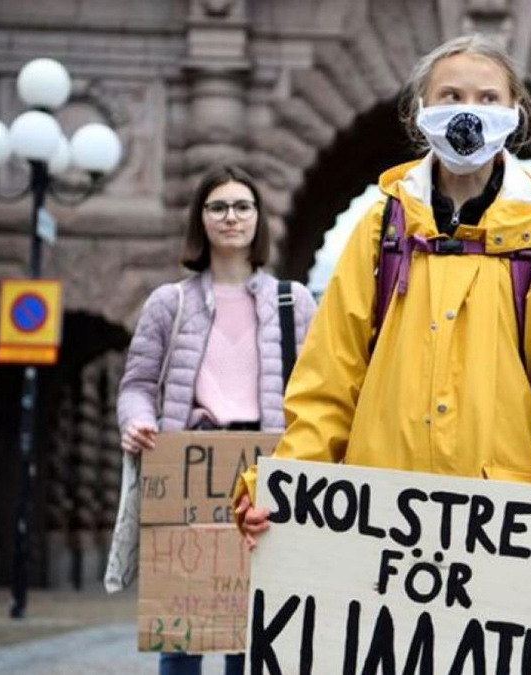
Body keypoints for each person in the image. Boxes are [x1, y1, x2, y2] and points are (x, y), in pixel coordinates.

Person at [232, 35, 531, 569]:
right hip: (381, 518)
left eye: (488, 98)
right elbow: (329, 382)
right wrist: (280, 486)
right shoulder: (380, 230)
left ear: (515, 113)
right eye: (450, 94)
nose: (468, 110)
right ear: (420, 110)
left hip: (498, 530)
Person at [116, 165, 316, 675]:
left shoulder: (295, 303)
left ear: (258, 219)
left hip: (265, 470)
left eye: (242, 206)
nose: (231, 217)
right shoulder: (170, 303)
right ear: (201, 220)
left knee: (252, 630)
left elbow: (317, 392)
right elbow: (138, 384)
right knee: (181, 631)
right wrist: (136, 422)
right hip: (189, 465)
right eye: (218, 207)